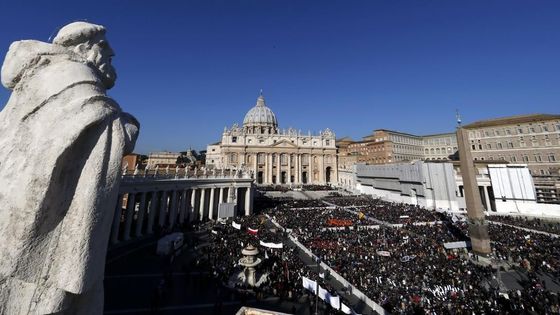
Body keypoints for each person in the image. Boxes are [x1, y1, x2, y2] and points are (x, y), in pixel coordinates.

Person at [0, 21, 138, 314]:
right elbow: (105, 125)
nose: (110, 53)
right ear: (82, 48)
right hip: (45, 215)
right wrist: (130, 126)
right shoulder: (73, 78)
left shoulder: (38, 79)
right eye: (104, 48)